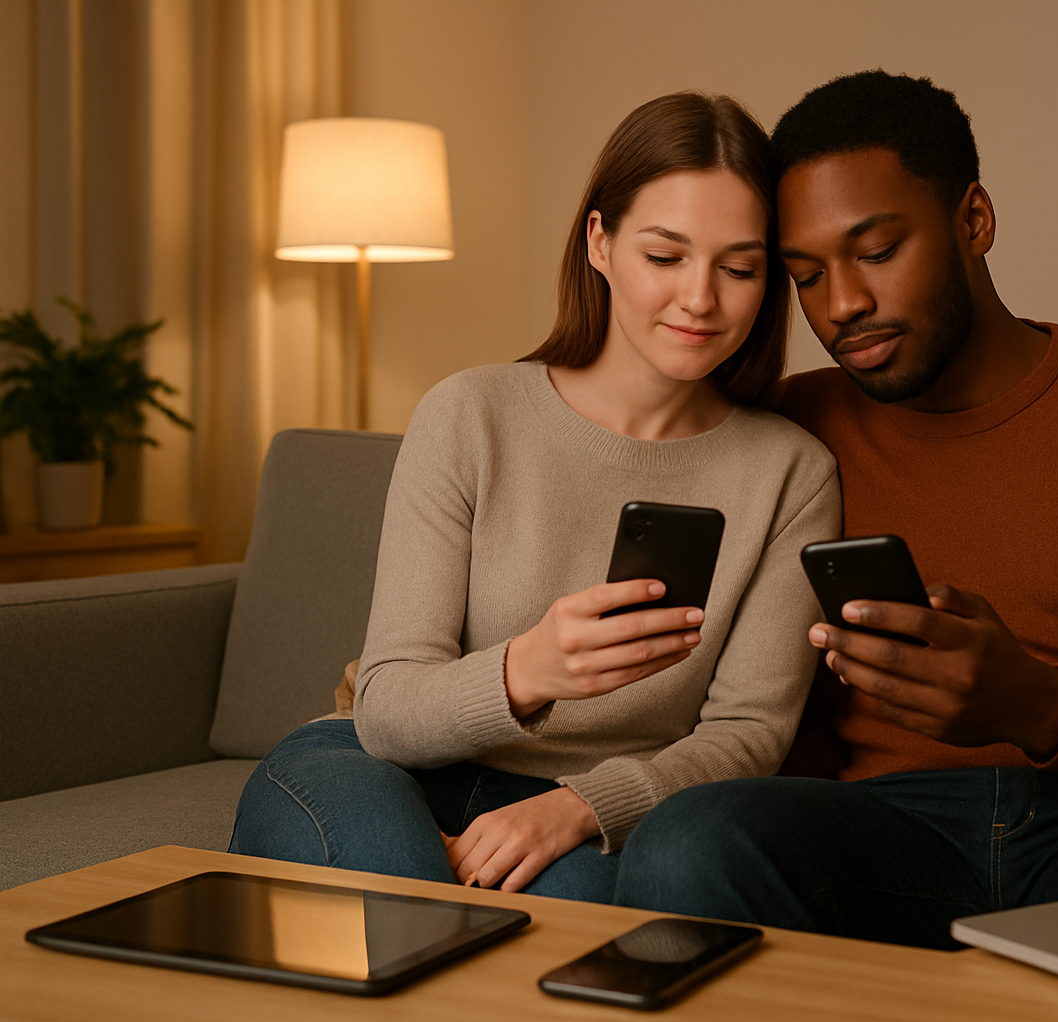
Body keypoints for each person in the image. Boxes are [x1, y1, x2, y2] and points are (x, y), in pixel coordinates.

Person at [612, 71, 1058, 948]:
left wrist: (1044, 707)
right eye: (805, 275)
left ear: (974, 221)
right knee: (690, 844)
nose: (843, 306)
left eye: (877, 252)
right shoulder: (790, 431)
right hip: (879, 837)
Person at [228, 92, 840, 902]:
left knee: (552, 930)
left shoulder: (789, 471)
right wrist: (529, 669)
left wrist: (580, 807)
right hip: (378, 765)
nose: (701, 298)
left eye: (738, 267)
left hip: (593, 815)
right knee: (402, 905)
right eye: (665, 257)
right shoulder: (470, 413)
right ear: (600, 242)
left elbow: (748, 735)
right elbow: (388, 705)